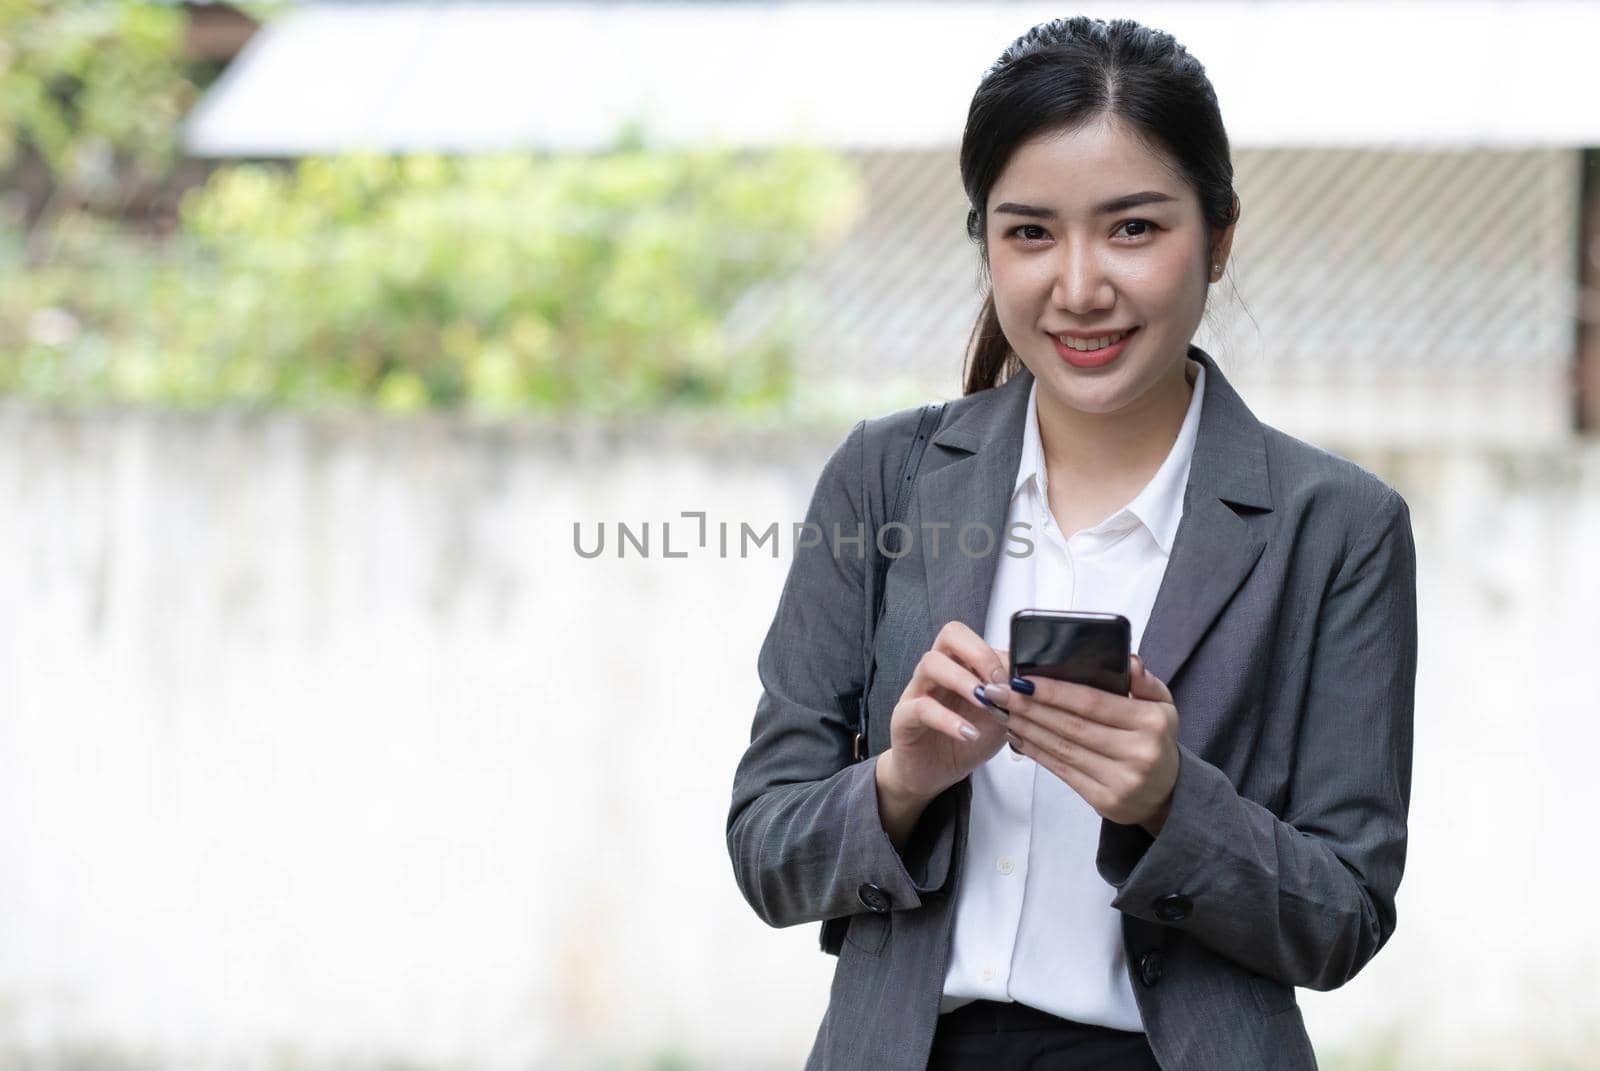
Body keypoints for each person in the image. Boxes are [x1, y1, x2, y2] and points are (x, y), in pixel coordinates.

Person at [726, 15, 1417, 1071]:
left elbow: (1344, 916)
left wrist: (1171, 803)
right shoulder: (884, 479)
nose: (1080, 285)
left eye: (1134, 228)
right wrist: (901, 781)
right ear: (985, 243)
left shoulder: (1338, 527)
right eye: (1030, 232)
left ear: (1220, 236)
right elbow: (767, 850)